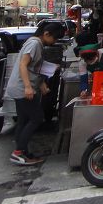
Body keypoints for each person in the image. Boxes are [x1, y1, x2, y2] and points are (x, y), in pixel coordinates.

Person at [5, 22, 63, 165]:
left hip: (20, 87)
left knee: (23, 120)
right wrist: (27, 87)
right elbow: (23, 64)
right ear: (46, 34)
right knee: (37, 118)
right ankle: (18, 152)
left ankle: (22, 152)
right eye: (54, 38)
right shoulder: (35, 44)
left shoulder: (36, 44)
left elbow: (34, 68)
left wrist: (41, 84)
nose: (54, 42)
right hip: (21, 88)